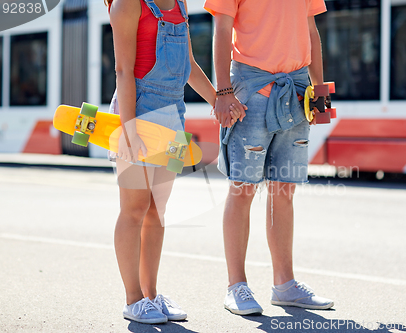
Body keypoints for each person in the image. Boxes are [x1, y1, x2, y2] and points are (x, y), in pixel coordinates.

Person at [106, 0, 239, 324]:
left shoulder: (179, 4)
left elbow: (189, 65)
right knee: (134, 209)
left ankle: (151, 295)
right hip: (136, 113)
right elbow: (123, 71)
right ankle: (133, 299)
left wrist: (219, 101)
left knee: (156, 212)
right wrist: (129, 129)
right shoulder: (127, 5)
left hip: (171, 118)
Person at [204, 0, 335, 315]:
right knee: (242, 188)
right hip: (251, 90)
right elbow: (221, 30)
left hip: (299, 89)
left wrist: (320, 92)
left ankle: (284, 284)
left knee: (284, 190)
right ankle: (236, 286)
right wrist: (223, 92)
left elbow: (311, 31)